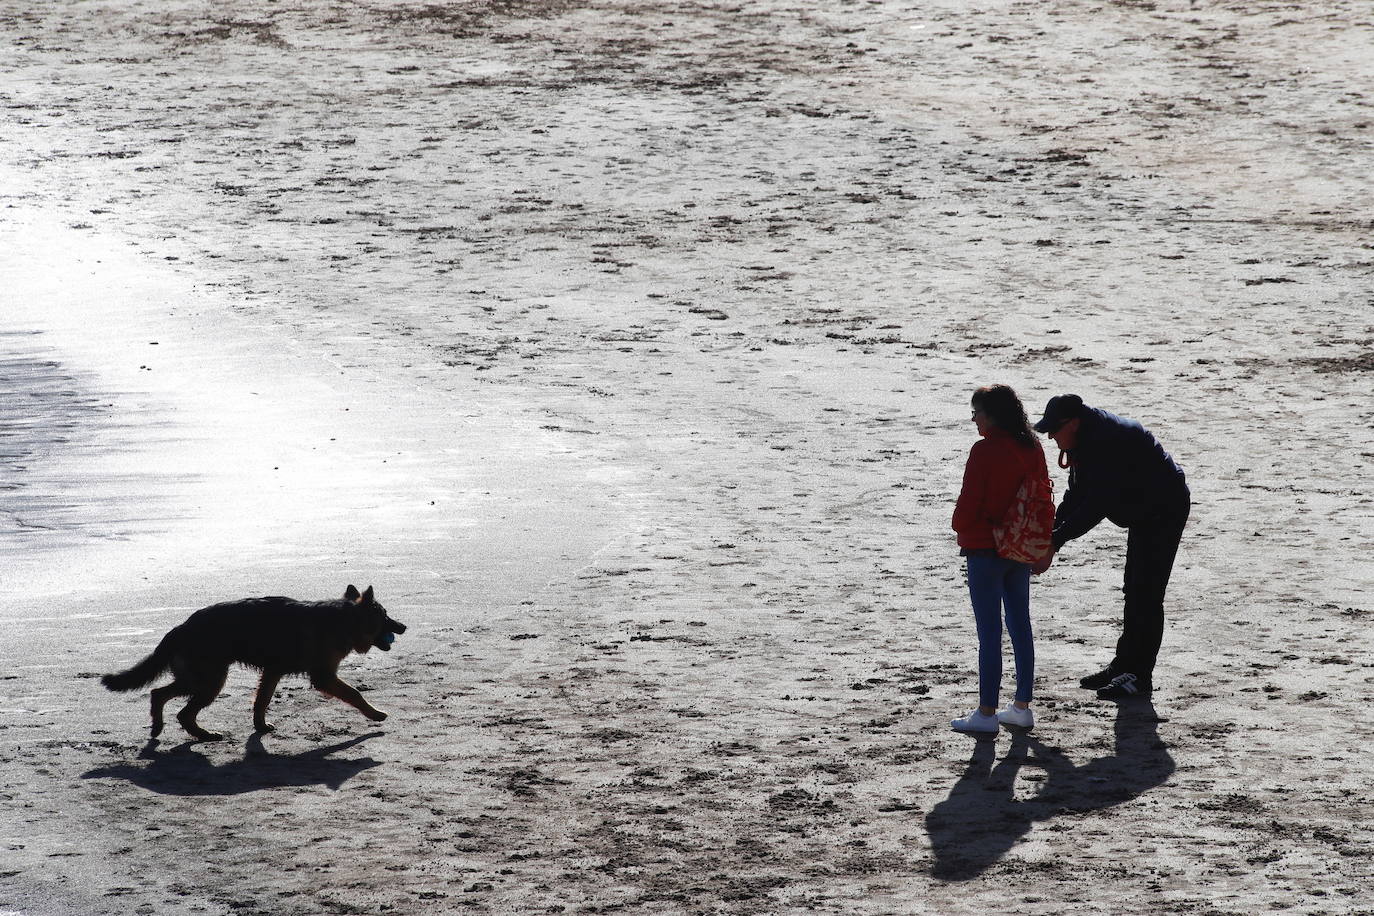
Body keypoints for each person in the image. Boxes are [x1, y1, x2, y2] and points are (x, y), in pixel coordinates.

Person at [1030, 394, 1190, 700]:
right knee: (1135, 589)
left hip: (1165, 506)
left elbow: (1095, 506)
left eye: (1054, 430)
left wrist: (1055, 541)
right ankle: (1123, 666)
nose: (1050, 437)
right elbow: (1076, 495)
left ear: (1073, 423)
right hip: (1144, 509)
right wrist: (1049, 533)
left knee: (1147, 592)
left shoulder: (1106, 442)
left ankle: (1138, 677)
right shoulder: (1083, 439)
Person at [949, 384, 1053, 733]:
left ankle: (986, 713)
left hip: (984, 548)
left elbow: (969, 504)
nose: (974, 419)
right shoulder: (1032, 447)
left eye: (976, 412)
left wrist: (958, 526)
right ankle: (1022, 706)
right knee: (1020, 624)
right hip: (1020, 548)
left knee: (989, 632)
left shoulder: (984, 450)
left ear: (991, 415)